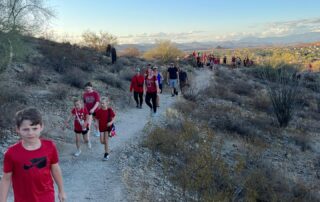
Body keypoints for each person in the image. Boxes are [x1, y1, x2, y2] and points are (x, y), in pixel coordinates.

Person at [0, 107, 66, 202]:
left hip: (46, 197)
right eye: (25, 129)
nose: (30, 133)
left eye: (34, 128)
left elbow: (55, 168)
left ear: (42, 127)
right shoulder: (11, 153)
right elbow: (6, 179)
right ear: (18, 129)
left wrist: (61, 191)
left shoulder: (50, 146)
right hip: (23, 199)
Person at [94, 97, 116, 161]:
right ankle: (107, 146)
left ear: (107, 103)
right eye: (101, 103)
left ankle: (106, 154)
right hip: (101, 128)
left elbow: (114, 117)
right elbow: (96, 118)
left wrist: (111, 122)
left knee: (106, 140)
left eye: (103, 103)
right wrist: (96, 123)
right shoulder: (99, 111)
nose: (102, 104)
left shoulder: (109, 110)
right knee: (101, 141)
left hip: (107, 128)